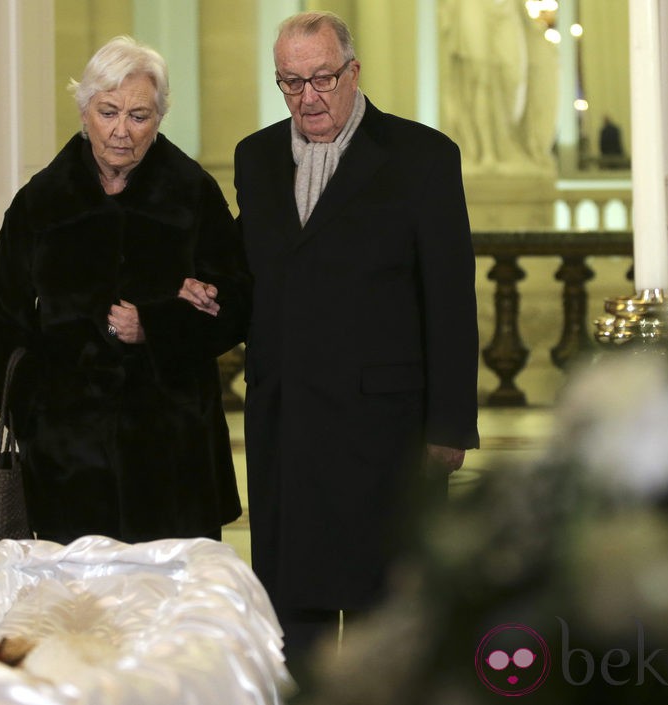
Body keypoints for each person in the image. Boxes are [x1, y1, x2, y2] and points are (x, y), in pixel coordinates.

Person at [232, 11, 480, 671]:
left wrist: (450, 425)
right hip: (286, 423)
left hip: (385, 432)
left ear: (353, 73)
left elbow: (452, 302)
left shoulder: (422, 157)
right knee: (293, 618)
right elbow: (247, 275)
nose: (307, 98)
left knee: (387, 618)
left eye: (321, 78)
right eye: (290, 83)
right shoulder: (254, 158)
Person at [0, 36, 250, 545]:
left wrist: (157, 325)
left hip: (174, 458)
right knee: (78, 615)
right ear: (85, 113)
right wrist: (39, 417)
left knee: (172, 615)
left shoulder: (191, 193)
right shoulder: (42, 201)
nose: (122, 130)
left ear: (159, 118)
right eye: (109, 112)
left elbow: (236, 302)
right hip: (69, 466)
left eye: (139, 115)